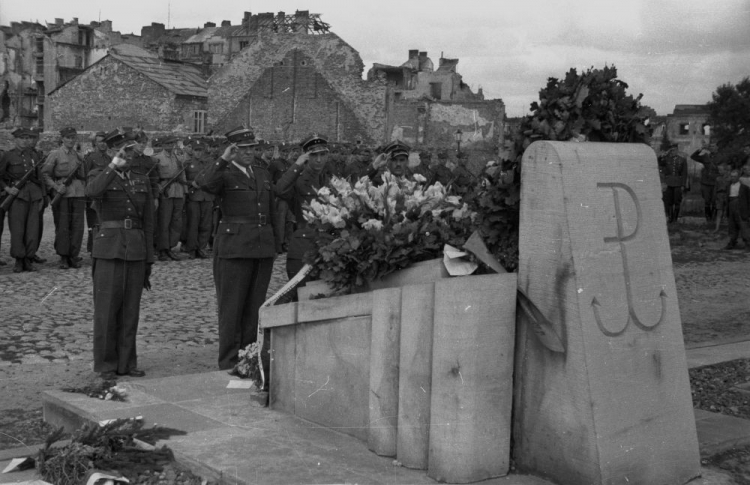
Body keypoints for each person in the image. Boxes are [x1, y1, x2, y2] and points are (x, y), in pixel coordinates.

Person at [196, 127, 280, 370]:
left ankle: (248, 357)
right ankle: (229, 360)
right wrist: (223, 160)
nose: (249, 153)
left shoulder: (262, 174)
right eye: (243, 149)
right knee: (231, 307)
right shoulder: (223, 173)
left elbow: (271, 211)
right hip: (234, 248)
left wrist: (274, 241)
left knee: (255, 307)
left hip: (262, 247)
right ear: (233, 150)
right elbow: (203, 183)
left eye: (252, 148)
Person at [85, 129, 154, 379]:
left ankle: (127, 362)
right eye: (124, 149)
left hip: (135, 248)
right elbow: (91, 192)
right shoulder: (99, 173)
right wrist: (114, 165)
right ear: (114, 151)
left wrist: (149, 258)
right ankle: (106, 364)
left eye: (132, 149)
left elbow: (148, 222)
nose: (131, 154)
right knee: (106, 309)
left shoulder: (142, 180)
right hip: (109, 249)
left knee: (130, 309)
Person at [274, 133, 331, 288]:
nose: (319, 160)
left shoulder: (329, 179)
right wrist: (298, 165)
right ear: (306, 156)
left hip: (328, 245)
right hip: (304, 245)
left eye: (322, 154)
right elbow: (279, 189)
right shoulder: (298, 179)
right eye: (314, 155)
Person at [0, 128, 45, 273]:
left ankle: (28, 259)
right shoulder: (8, 155)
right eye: (22, 138)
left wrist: (43, 196)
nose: (25, 141)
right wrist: (7, 189)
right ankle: (19, 260)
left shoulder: (34, 155)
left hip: (34, 195)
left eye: (27, 138)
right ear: (15, 139)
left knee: (32, 230)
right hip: (17, 195)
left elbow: (40, 178)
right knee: (18, 230)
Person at [41, 127, 87, 269]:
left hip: (78, 193)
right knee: (63, 226)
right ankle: (63, 257)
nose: (71, 140)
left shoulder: (79, 156)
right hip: (62, 194)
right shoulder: (55, 154)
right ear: (62, 138)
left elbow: (83, 176)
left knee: (77, 227)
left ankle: (73, 255)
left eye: (73, 137)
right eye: (68, 137)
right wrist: (55, 187)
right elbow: (45, 174)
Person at [153, 136, 186, 261]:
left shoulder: (177, 157)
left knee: (176, 222)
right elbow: (155, 177)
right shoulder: (157, 158)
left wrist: (185, 192)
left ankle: (171, 247)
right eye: (168, 143)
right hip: (165, 192)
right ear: (162, 145)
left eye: (172, 143)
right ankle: (162, 249)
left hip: (178, 191)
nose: (170, 145)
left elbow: (182, 175)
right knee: (164, 222)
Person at [183, 137, 215, 259]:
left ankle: (201, 247)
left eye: (200, 150)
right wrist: (191, 184)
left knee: (206, 224)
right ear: (192, 151)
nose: (198, 153)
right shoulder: (187, 164)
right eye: (196, 150)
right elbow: (182, 180)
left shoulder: (208, 163)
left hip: (207, 196)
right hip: (194, 197)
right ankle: (191, 248)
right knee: (193, 224)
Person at [83, 131, 112, 253]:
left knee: (106, 223)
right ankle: (94, 249)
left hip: (107, 197)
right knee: (94, 224)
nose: (103, 144)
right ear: (95, 143)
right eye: (100, 142)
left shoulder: (109, 159)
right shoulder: (90, 158)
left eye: (105, 142)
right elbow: (85, 177)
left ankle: (105, 248)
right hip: (94, 197)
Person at [690, 144, 720, 223]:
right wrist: (700, 149)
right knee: (706, 201)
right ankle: (708, 218)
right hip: (705, 182)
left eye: (713, 146)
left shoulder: (721, 157)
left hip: (716, 182)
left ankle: (714, 219)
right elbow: (693, 157)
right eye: (711, 146)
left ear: (717, 148)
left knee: (714, 201)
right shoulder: (705, 156)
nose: (712, 148)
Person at [659, 144, 688, 223]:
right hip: (669, 182)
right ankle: (670, 218)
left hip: (678, 183)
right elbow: (659, 163)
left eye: (674, 150)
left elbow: (684, 173)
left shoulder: (682, 160)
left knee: (677, 200)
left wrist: (683, 185)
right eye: (671, 150)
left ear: (677, 150)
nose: (673, 152)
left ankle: (675, 218)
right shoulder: (666, 159)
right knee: (668, 201)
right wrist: (662, 156)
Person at [723, 168, 750, 250]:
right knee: (732, 225)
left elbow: (749, 200)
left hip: (741, 207)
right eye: (731, 176)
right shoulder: (728, 186)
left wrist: (748, 212)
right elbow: (726, 199)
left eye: (734, 176)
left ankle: (748, 243)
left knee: (743, 225)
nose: (732, 178)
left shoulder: (744, 188)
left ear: (738, 177)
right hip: (731, 206)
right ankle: (732, 242)